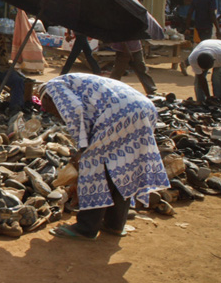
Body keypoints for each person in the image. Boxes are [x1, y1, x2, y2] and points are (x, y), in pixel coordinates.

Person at [41, 74, 169, 240]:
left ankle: (86, 228)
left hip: (119, 113)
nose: (54, 114)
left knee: (94, 166)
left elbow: (75, 110)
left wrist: (83, 148)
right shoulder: (75, 82)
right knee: (123, 164)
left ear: (49, 100)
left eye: (49, 109)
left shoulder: (53, 87)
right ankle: (114, 224)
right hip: (144, 108)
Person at [108, 0, 157, 96]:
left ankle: (151, 90)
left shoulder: (138, 11)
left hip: (136, 47)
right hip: (124, 48)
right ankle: (109, 91)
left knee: (142, 70)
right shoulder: (125, 12)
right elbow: (121, 33)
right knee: (118, 72)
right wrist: (126, 49)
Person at [187, 38, 221, 104]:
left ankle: (218, 101)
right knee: (198, 82)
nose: (205, 70)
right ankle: (201, 102)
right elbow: (201, 78)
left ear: (214, 61)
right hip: (205, 45)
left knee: (217, 78)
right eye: (203, 69)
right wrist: (208, 97)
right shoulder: (193, 59)